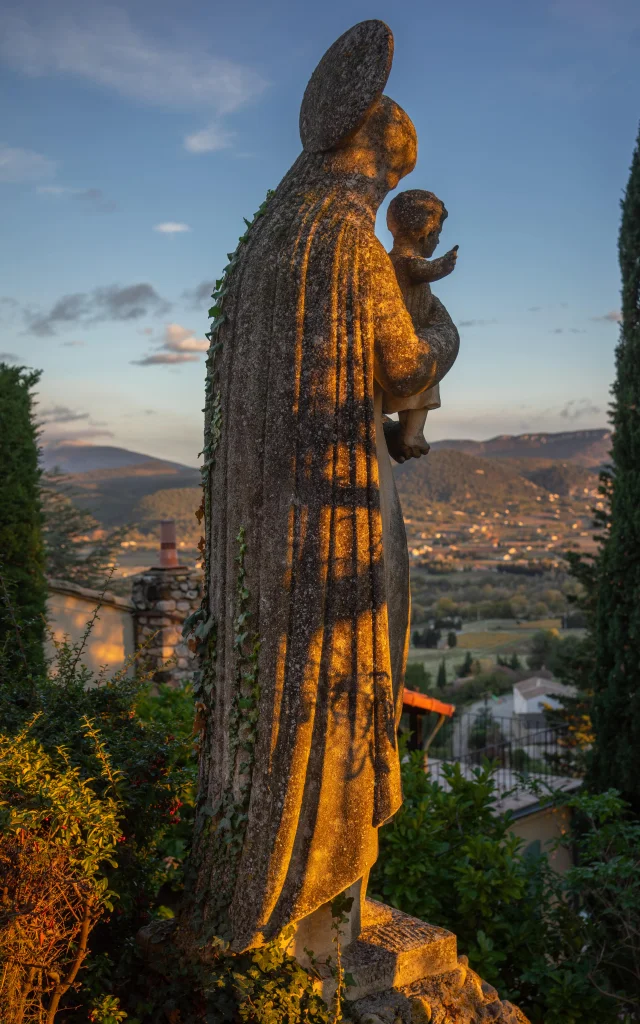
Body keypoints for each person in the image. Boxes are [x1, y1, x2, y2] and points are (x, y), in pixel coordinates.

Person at [185, 20, 460, 954]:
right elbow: (399, 359)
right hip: (329, 511)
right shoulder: (345, 233)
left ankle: (249, 887)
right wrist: (444, 342)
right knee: (337, 667)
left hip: (264, 516)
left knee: (266, 682)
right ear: (378, 161)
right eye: (393, 175)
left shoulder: (272, 235)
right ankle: (306, 909)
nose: (389, 195)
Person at [383, 189, 459, 460]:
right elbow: (422, 270)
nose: (437, 240)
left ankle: (409, 431)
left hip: (408, 334)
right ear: (424, 233)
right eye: (437, 234)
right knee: (428, 375)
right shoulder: (406, 261)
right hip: (410, 336)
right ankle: (412, 432)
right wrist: (444, 265)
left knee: (423, 381)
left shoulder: (387, 262)